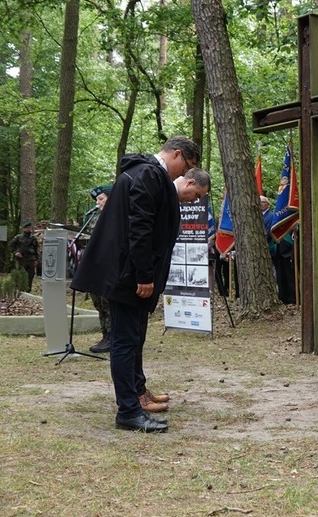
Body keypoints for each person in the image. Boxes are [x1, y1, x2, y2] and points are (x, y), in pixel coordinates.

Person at [71, 136, 204, 433]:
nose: (182, 176)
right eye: (185, 167)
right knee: (124, 341)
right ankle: (129, 411)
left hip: (125, 271)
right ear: (177, 154)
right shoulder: (148, 174)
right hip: (128, 275)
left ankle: (134, 400)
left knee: (129, 338)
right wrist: (144, 275)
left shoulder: (142, 173)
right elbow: (139, 228)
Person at [86, 184, 114, 354]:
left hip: (108, 267)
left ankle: (112, 337)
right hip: (94, 266)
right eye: (97, 200)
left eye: (101, 199)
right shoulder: (95, 219)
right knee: (99, 303)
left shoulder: (116, 218)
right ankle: (105, 335)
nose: (98, 203)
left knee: (108, 303)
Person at [8, 222, 39, 292]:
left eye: (30, 227)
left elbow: (36, 249)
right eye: (28, 227)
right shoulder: (18, 237)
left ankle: (28, 290)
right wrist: (15, 252)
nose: (29, 229)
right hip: (21, 260)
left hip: (31, 259)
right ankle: (20, 290)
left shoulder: (33, 238)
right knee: (20, 275)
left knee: (31, 275)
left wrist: (36, 259)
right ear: (24, 228)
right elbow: (10, 246)